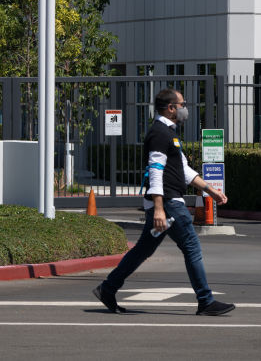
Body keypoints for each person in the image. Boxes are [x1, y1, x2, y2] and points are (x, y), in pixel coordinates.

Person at [93, 87, 235, 316]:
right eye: (182, 104)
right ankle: (205, 301)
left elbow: (184, 170)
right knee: (191, 247)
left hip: (166, 202)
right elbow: (155, 170)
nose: (185, 109)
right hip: (169, 203)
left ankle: (108, 288)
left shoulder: (168, 133)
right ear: (171, 108)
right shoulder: (160, 133)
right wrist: (158, 208)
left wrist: (211, 191)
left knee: (142, 251)